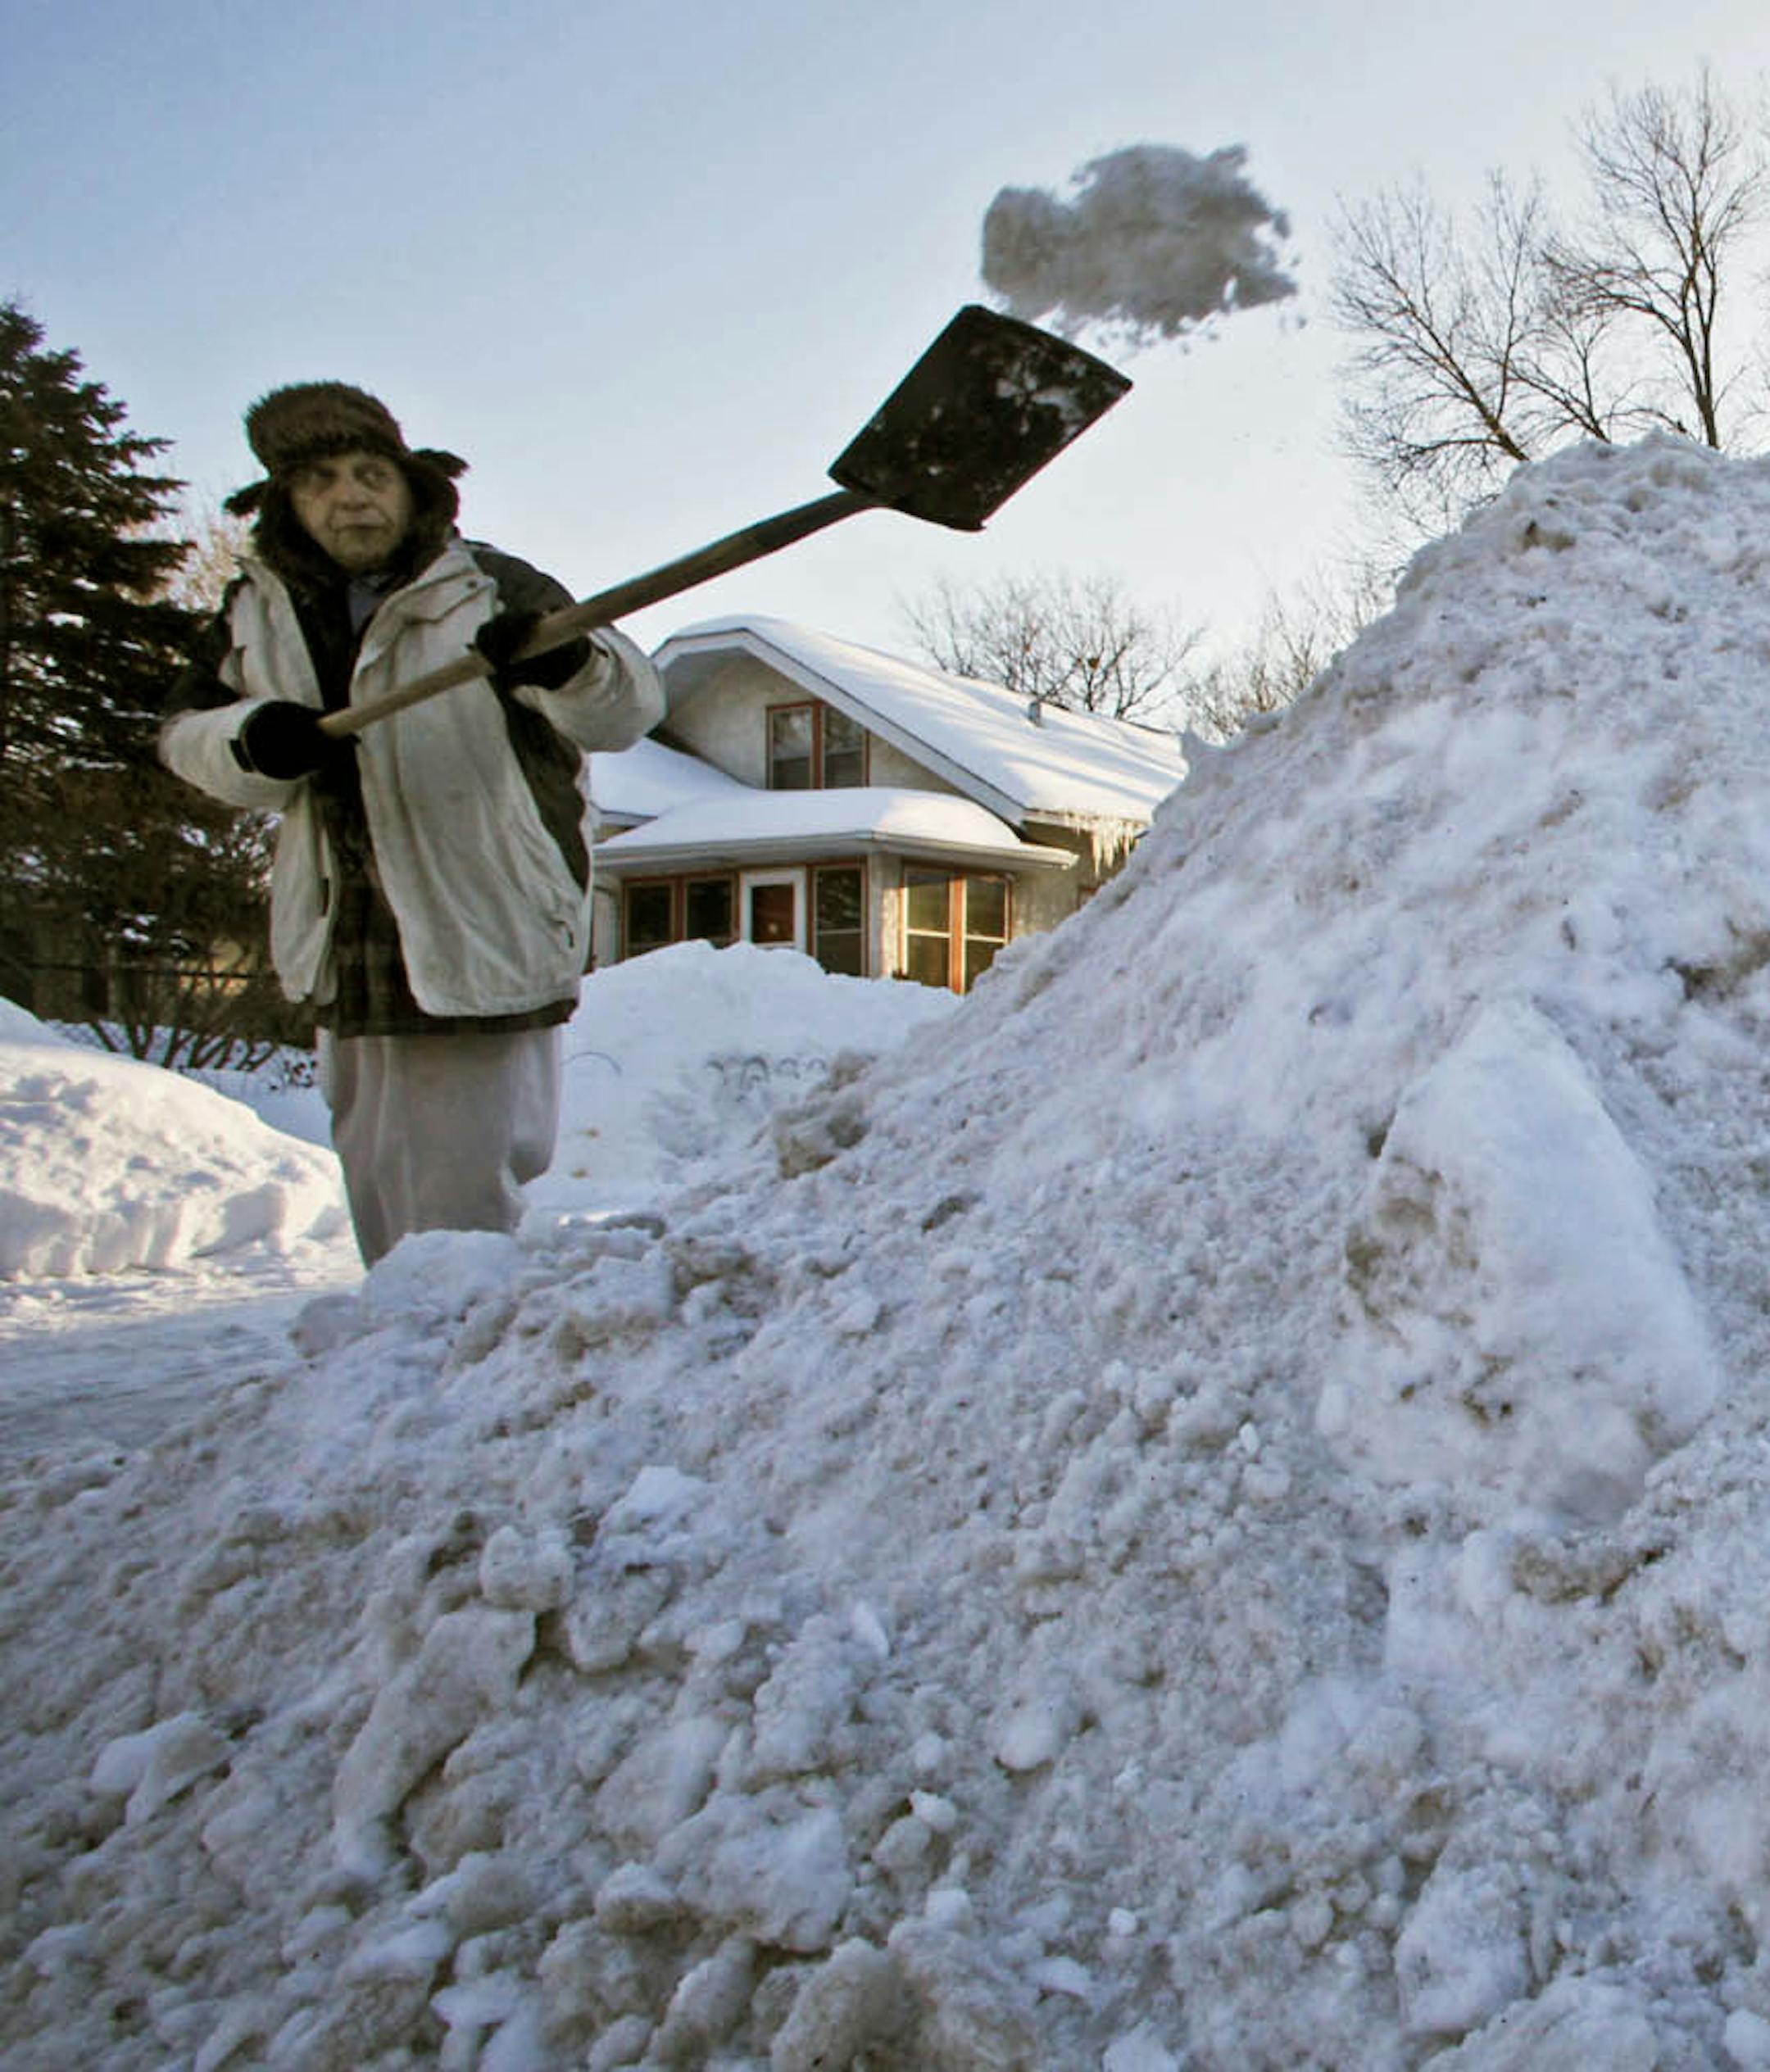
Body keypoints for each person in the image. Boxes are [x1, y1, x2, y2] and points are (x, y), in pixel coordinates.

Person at [160, 381, 665, 1265]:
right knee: (377, 1171)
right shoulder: (255, 610)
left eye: (370, 473)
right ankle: (399, 1329)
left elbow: (629, 706)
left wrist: (567, 662)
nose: (350, 497)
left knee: (466, 1189)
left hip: (482, 906)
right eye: (319, 479)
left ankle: (467, 1331)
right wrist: (250, 739)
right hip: (346, 921)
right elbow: (182, 735)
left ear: (411, 483)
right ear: (285, 500)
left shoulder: (487, 586)